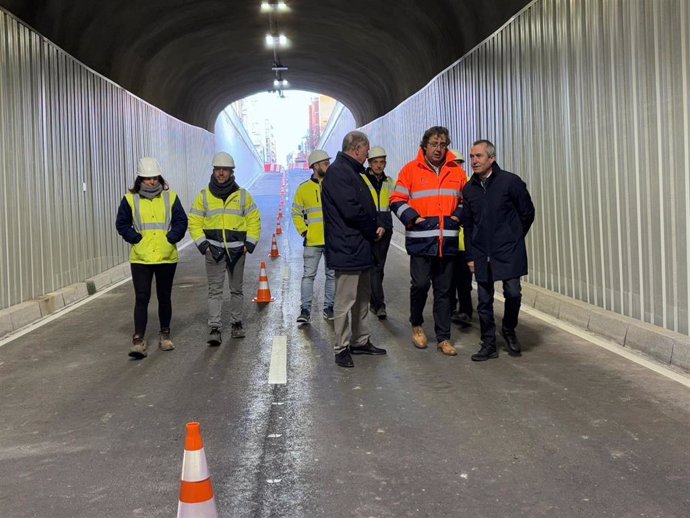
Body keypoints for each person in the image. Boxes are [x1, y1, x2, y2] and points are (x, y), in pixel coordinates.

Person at [389, 127, 467, 356]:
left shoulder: (457, 172)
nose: (438, 149)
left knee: (444, 291)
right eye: (434, 144)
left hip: (448, 241)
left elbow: (465, 200)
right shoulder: (411, 170)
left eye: (443, 145)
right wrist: (414, 219)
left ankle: (444, 337)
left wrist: (457, 217)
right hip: (422, 241)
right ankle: (416, 324)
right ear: (425, 146)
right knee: (421, 285)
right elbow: (396, 200)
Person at [461, 140, 535, 361]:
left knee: (513, 292)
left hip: (508, 250)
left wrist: (513, 237)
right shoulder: (469, 189)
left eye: (479, 156)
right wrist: (471, 256)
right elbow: (469, 225)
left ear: (491, 158)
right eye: (472, 156)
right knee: (484, 300)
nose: (474, 161)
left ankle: (509, 329)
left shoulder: (510, 182)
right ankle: (488, 343)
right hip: (482, 252)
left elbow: (527, 212)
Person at [321, 130, 387, 368]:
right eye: (366, 150)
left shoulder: (350, 171)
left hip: (360, 247)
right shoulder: (339, 172)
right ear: (357, 148)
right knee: (345, 300)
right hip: (348, 247)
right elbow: (351, 210)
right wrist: (372, 229)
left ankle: (360, 341)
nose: (368, 154)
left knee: (361, 298)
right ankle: (341, 347)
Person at [115, 157, 188, 359]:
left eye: (155, 177)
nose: (152, 182)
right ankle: (138, 339)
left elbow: (181, 221)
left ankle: (165, 334)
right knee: (142, 298)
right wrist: (136, 239)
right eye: (147, 178)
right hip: (141, 257)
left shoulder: (170, 197)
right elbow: (121, 224)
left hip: (166, 256)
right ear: (140, 179)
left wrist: (171, 238)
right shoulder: (130, 199)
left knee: (164, 297)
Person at [188, 152, 261, 345]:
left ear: (231, 172)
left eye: (225, 170)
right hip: (214, 251)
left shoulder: (243, 196)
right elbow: (194, 221)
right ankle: (215, 328)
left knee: (236, 290)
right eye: (218, 169)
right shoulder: (204, 196)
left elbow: (254, 220)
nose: (221, 173)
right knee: (215, 291)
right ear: (213, 171)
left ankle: (236, 323)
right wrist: (204, 246)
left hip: (237, 251)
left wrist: (249, 244)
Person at [292, 149, 335, 324]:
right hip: (312, 241)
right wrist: (304, 231)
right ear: (315, 166)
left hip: (333, 240)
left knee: (332, 275)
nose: (328, 166)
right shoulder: (303, 189)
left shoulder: (334, 185)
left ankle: (329, 307)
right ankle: (305, 310)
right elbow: (296, 213)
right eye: (325, 163)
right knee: (308, 276)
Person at [361, 146, 395, 320]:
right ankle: (379, 304)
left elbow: (395, 203)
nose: (379, 165)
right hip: (369, 228)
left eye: (382, 162)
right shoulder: (362, 180)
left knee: (379, 268)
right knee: (374, 267)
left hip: (386, 229)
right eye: (375, 162)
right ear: (369, 163)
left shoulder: (389, 182)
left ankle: (374, 301)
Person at [447, 149, 474, 328]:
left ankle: (465, 311)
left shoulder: (469, 185)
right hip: (448, 242)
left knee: (464, 282)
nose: (457, 167)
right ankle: (450, 309)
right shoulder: (444, 187)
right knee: (447, 280)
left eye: (459, 164)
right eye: (454, 164)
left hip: (465, 243)